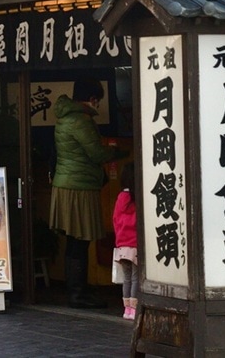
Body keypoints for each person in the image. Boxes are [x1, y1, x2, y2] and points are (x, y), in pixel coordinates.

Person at [49, 79, 126, 309]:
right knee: (80, 241)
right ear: (91, 98)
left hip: (68, 185)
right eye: (98, 100)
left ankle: (76, 290)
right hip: (78, 188)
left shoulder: (65, 117)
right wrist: (119, 152)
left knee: (74, 241)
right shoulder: (81, 121)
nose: (98, 104)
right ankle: (77, 294)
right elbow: (96, 153)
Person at [113, 161, 139, 320]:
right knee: (136, 277)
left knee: (127, 278)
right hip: (135, 244)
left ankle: (126, 309)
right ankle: (135, 309)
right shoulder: (136, 198)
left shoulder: (121, 197)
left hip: (122, 244)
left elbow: (115, 218)